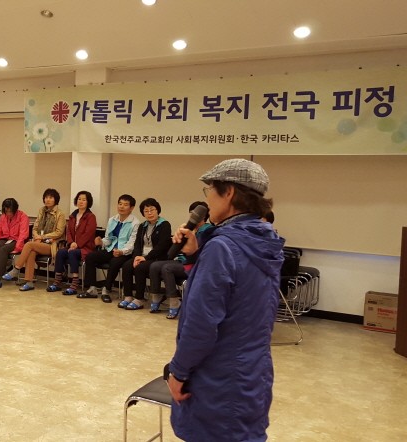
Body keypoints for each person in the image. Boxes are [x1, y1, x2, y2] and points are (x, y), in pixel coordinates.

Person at [166, 158, 284, 442]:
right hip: (252, 371)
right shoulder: (264, 239)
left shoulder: (222, 247)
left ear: (228, 192)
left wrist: (178, 373)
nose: (207, 198)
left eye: (210, 190)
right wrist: (195, 255)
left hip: (219, 378)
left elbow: (201, 325)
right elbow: (238, 295)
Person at [148, 202, 212, 318]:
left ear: (203, 215)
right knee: (155, 265)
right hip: (181, 259)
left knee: (167, 268)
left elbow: (202, 251)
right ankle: (156, 297)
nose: (192, 216)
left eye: (195, 213)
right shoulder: (188, 228)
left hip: (194, 263)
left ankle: (174, 301)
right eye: (191, 213)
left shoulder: (208, 229)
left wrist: (193, 237)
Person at [77, 194, 140, 303]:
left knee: (115, 262)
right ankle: (92, 289)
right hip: (111, 249)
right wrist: (101, 242)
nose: (121, 207)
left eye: (125, 205)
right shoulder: (112, 220)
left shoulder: (135, 223)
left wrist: (121, 252)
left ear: (132, 208)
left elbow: (132, 243)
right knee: (90, 256)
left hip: (126, 253)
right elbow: (109, 239)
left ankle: (106, 289)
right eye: (120, 204)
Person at [5, 188, 66, 291]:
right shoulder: (41, 211)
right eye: (46, 197)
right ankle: (29, 282)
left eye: (50, 197)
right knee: (31, 252)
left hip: (52, 245)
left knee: (29, 245)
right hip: (39, 243)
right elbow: (35, 228)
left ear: (56, 199)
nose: (48, 200)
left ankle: (16, 268)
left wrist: (42, 237)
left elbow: (59, 232)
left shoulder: (60, 214)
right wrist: (37, 236)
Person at [119, 198, 172, 310]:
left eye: (152, 210)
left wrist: (146, 258)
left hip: (157, 258)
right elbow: (137, 244)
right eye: (146, 211)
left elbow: (162, 246)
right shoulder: (142, 226)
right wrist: (137, 257)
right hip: (142, 256)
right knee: (127, 266)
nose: (149, 213)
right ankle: (128, 296)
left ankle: (140, 298)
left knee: (140, 268)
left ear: (157, 210)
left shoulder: (165, 225)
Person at [48, 190, 97, 295]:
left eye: (84, 200)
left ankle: (75, 282)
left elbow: (89, 233)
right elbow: (69, 232)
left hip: (85, 247)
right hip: (72, 246)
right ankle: (58, 280)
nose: (81, 201)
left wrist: (77, 245)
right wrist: (71, 243)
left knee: (72, 253)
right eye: (79, 199)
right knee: (60, 252)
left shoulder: (90, 216)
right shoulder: (73, 216)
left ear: (88, 202)